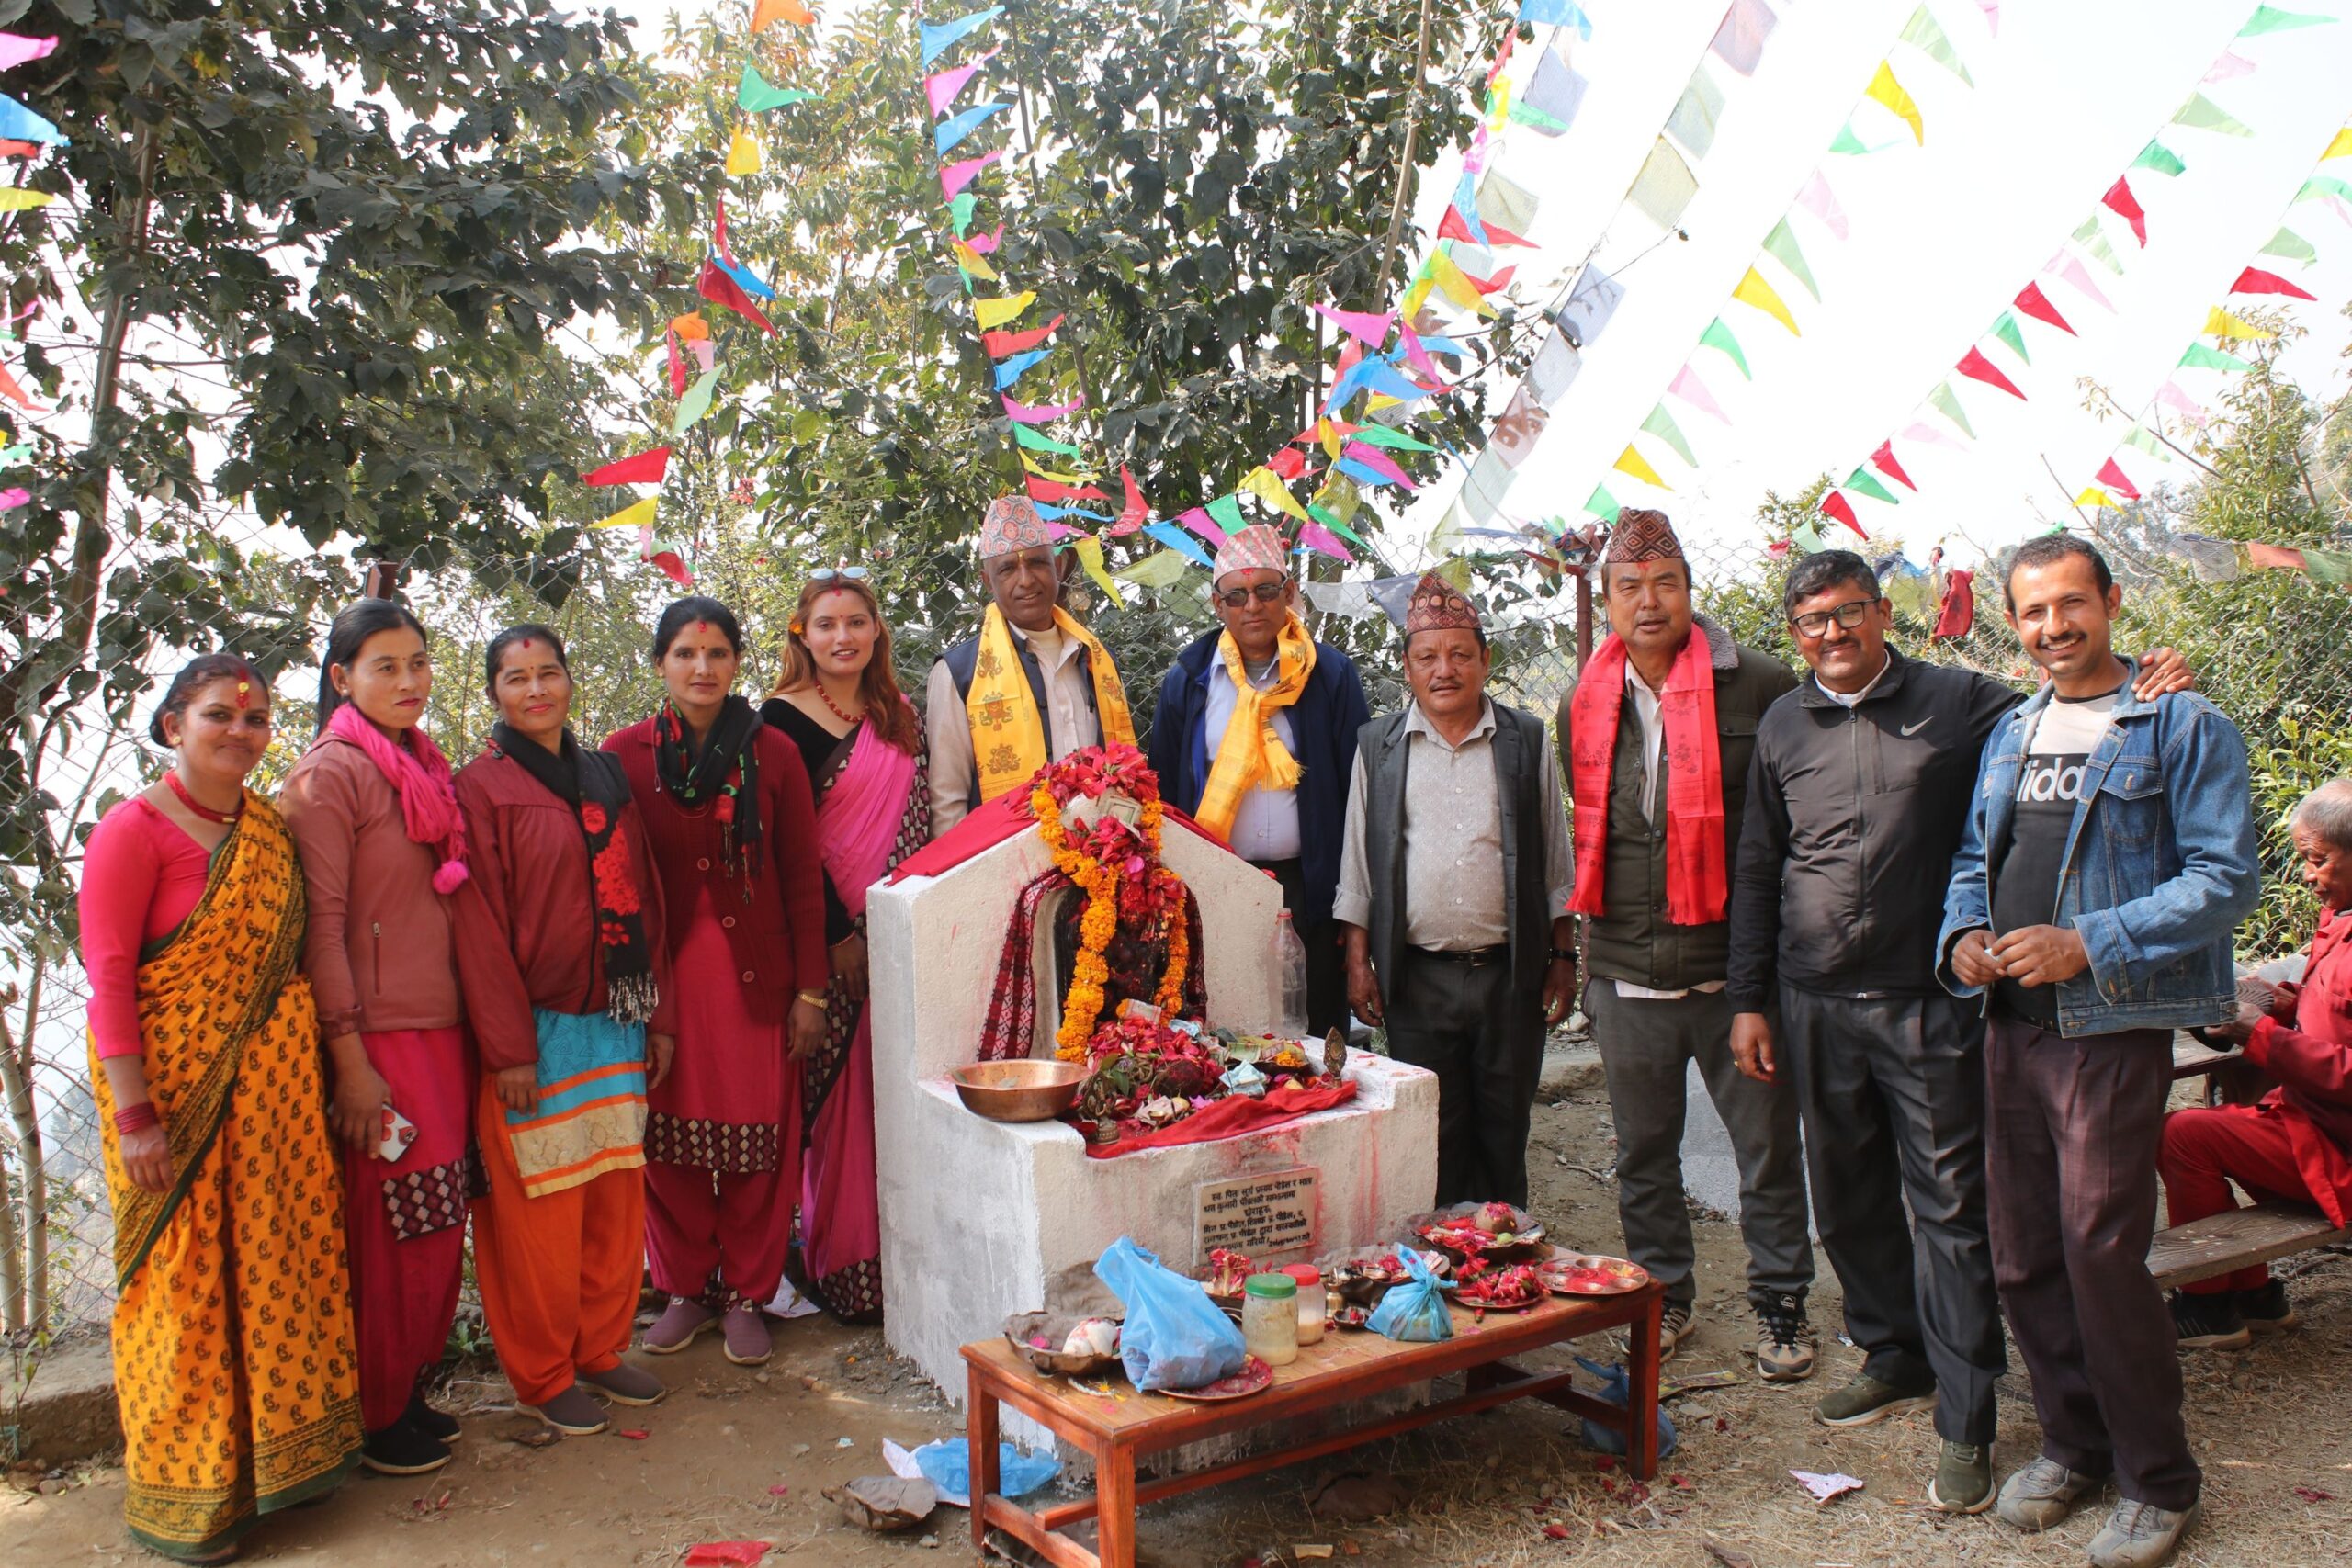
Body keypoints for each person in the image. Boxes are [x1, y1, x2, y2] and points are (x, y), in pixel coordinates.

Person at [1726, 549, 2192, 1512]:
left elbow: (2072, 690)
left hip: (1927, 1002)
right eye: (1812, 622)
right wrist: (1748, 998)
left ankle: (1968, 1419)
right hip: (1813, 1001)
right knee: (1845, 1196)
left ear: (1880, 611)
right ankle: (1891, 1352)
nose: (1833, 635)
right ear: (1793, 633)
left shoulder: (1959, 700)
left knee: (1948, 1211)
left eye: (1849, 613)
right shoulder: (1783, 721)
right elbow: (1759, 865)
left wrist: (2152, 675)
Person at [1939, 535, 2259, 1568]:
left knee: (2099, 1253)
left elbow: (2225, 879)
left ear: (2111, 602)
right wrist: (1963, 939)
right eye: (2031, 613)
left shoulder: (2179, 722)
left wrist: (2090, 942)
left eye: (2070, 605)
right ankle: (2072, 1447)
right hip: (2010, 1030)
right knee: (2025, 1254)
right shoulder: (2012, 728)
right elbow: (1968, 861)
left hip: (2109, 1031)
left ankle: (2156, 1481)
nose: (2051, 629)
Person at [78, 656, 363, 1561]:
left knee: (274, 1267)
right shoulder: (133, 831)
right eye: (217, 716)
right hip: (172, 1097)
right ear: (173, 727)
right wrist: (135, 1119)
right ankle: (190, 1497)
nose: (239, 732)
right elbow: (110, 981)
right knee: (183, 1286)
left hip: (273, 1098)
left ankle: (280, 1468)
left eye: (254, 719)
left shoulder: (271, 831)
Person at [1556, 509, 1815, 1377]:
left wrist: (1765, 977)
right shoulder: (1581, 700)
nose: (1649, 601)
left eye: (1665, 583)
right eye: (1629, 587)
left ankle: (1782, 1305)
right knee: (1642, 1153)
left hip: (1734, 973)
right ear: (1609, 599)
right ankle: (1666, 1294)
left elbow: (1788, 827)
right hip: (1627, 967)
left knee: (1767, 1149)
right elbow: (1597, 834)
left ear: (1691, 593)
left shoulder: (1763, 685)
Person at [452, 626, 678, 1435]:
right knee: (537, 1213)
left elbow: (646, 897)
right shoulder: (479, 786)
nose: (537, 689)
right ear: (494, 693)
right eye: (517, 678)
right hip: (534, 1032)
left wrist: (661, 1016)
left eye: (550, 672)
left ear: (570, 681)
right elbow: (477, 923)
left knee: (614, 1200)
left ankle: (602, 1347)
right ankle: (543, 1370)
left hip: (615, 1022)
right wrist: (507, 1047)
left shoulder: (603, 774)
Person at [606, 596, 829, 1367]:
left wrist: (811, 991)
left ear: (738, 662)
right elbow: (615, 884)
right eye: (684, 654)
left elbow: (802, 874)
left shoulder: (773, 753)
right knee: (666, 1141)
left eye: (717, 654)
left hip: (758, 986)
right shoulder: (624, 756)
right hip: (665, 990)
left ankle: (746, 1292)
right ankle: (685, 1288)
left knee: (757, 1145)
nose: (702, 669)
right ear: (661, 663)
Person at [280, 599, 473, 1478]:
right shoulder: (331, 775)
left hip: (439, 1025)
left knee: (434, 1219)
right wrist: (348, 1058)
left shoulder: (419, 763)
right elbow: (322, 929)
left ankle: (407, 1391)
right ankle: (374, 1408)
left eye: (419, 663)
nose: (408, 681)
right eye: (386, 666)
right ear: (342, 678)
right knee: (393, 1227)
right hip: (380, 1036)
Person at [1334, 573, 1575, 1206]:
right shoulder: (1379, 746)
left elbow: (1555, 857)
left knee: (1505, 1129)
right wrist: (1358, 961)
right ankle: (1442, 1273)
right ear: (1407, 668)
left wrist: (1563, 956)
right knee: (1436, 1132)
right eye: (1428, 656)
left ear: (1485, 660)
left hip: (1510, 974)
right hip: (1418, 978)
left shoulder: (1525, 738)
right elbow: (1357, 860)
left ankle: (1508, 1265)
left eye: (1461, 653)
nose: (1445, 669)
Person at [762, 570, 932, 1321]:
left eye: (856, 622)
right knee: (831, 1102)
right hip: (826, 943)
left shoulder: (898, 713)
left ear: (876, 632)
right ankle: (841, 1263)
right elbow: (791, 846)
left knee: (893, 1093)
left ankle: (903, 1255)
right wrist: (836, 936)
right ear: (801, 632)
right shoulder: (777, 721)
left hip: (900, 933)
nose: (842, 637)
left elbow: (921, 818)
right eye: (826, 624)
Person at [1148, 523, 1371, 1035]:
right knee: (1225, 1026)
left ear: (1289, 594)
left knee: (1313, 1031)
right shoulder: (1190, 680)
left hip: (1311, 888)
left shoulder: (1329, 675)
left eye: (1267, 590)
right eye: (1238, 594)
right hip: (1217, 883)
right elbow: (1163, 793)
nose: (1253, 606)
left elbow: (1360, 794)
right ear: (1216, 604)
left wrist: (1350, 903)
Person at [2159, 777, 2352, 1348]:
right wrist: (2287, 1003)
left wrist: (2257, 1031)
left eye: (2318, 860)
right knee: (2223, 1118)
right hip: (2318, 1124)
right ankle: (2255, 1296)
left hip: (2337, 1145)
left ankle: (2209, 1303)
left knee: (2183, 1136)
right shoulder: (2341, 919)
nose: (2308, 875)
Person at [925, 494, 1135, 836]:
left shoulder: (1096, 658)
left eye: (1037, 563)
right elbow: (948, 803)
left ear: (1059, 567)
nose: (1025, 580)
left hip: (1103, 855)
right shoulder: (958, 673)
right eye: (1007, 569)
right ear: (987, 581)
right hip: (1003, 864)